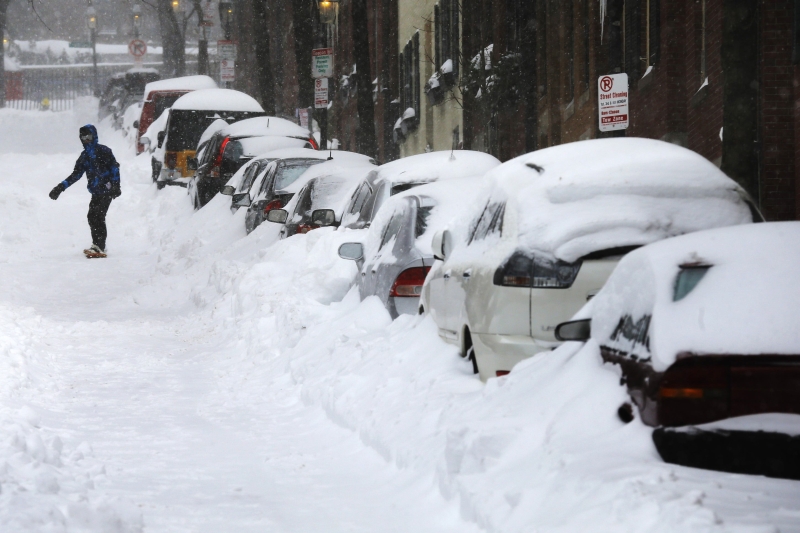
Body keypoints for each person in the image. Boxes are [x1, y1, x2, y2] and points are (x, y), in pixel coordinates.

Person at [49, 124, 121, 258]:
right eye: (83, 137)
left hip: (107, 190)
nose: (86, 139)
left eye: (89, 136)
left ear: (94, 136)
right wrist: (60, 187)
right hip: (96, 192)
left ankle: (99, 245)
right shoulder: (84, 157)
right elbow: (76, 175)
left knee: (98, 216)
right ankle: (97, 245)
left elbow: (114, 168)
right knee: (91, 216)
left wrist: (116, 185)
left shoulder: (104, 151)